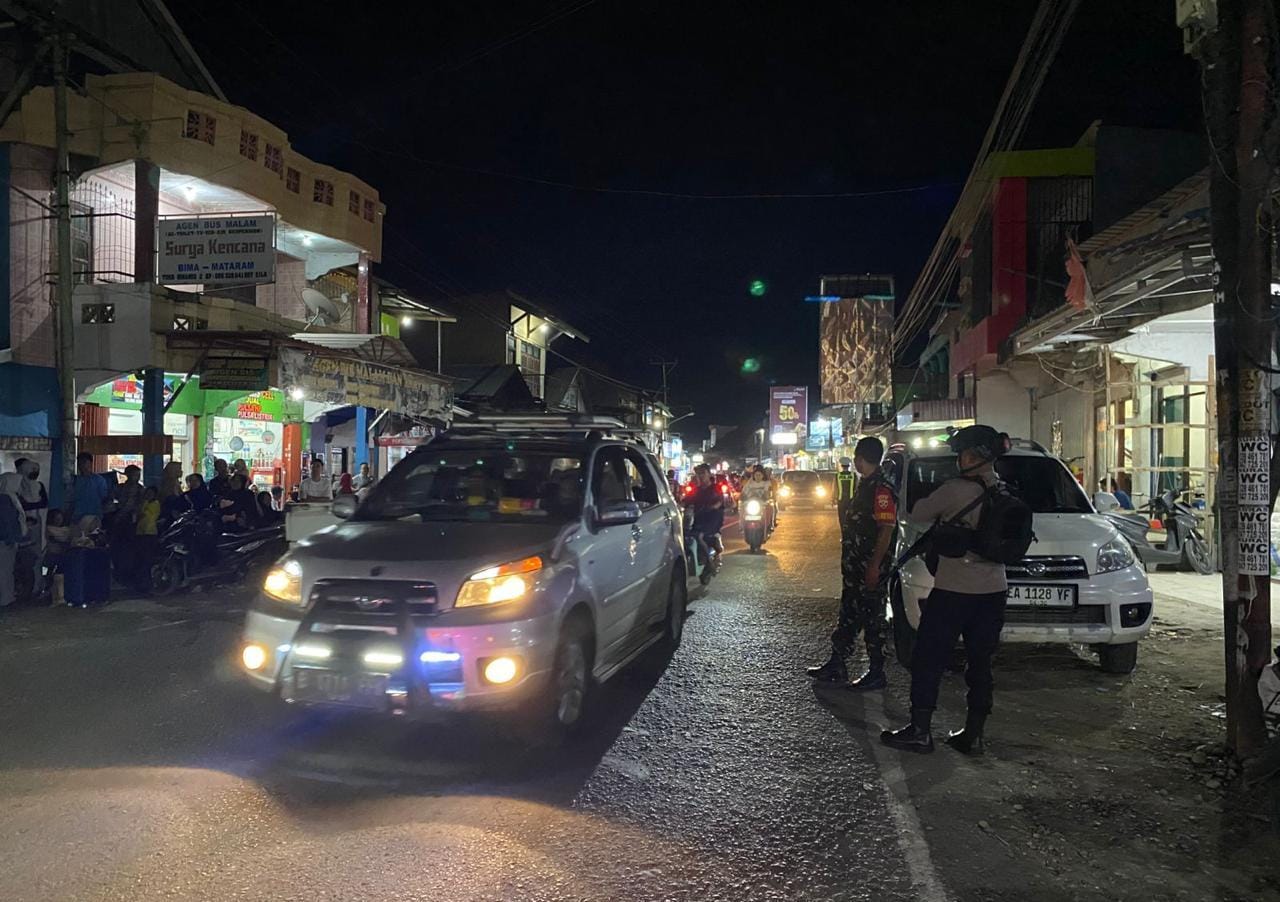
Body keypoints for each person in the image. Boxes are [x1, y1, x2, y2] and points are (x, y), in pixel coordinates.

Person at [882, 424, 1011, 755]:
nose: (959, 459)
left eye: (962, 454)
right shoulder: (1004, 491)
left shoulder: (955, 490)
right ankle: (974, 735)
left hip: (955, 591)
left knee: (928, 659)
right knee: (980, 664)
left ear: (971, 457)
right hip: (994, 592)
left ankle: (920, 731)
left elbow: (915, 513)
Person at [808, 437, 897, 689]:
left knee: (872, 617)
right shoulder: (866, 483)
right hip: (855, 566)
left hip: (869, 566)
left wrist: (875, 566)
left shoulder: (881, 488)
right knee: (849, 613)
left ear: (860, 458)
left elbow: (886, 529)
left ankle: (876, 672)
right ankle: (837, 663)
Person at [15, 459, 49, 593]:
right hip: (23, 523)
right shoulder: (17, 486)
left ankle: (37, 586)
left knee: (37, 554)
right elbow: (21, 505)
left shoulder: (39, 486)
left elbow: (44, 503)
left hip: (36, 523)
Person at [0, 471, 28, 609]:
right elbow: (8, 522)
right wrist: (12, 539)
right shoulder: (6, 499)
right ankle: (6, 598)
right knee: (5, 570)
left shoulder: (8, 498)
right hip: (5, 541)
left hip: (5, 539)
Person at [685, 463, 725, 556]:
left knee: (700, 536)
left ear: (709, 474)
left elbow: (720, 502)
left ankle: (709, 557)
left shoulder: (716, 488)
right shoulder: (696, 490)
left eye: (703, 473)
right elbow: (686, 501)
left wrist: (712, 507)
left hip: (712, 520)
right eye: (699, 473)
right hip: (698, 519)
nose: (701, 476)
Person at [70, 452, 110, 539]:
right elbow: (71, 499)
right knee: (77, 542)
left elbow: (104, 498)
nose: (82, 465)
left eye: (84, 462)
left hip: (93, 517)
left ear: (90, 463)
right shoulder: (74, 481)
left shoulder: (99, 480)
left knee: (91, 541)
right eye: (79, 462)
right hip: (76, 518)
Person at [132, 487, 161, 590]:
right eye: (147, 493)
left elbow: (144, 514)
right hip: (141, 532)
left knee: (146, 560)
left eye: (151, 493)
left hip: (150, 533)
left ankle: (147, 584)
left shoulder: (155, 504)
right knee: (141, 559)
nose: (148, 495)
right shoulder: (144, 503)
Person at [835, 457, 857, 527]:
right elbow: (857, 488)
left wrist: (833, 498)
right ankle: (850, 530)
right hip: (851, 500)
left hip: (841, 500)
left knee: (842, 518)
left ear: (842, 466)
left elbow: (835, 488)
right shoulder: (853, 475)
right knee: (851, 518)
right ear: (848, 466)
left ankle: (843, 530)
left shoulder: (838, 476)